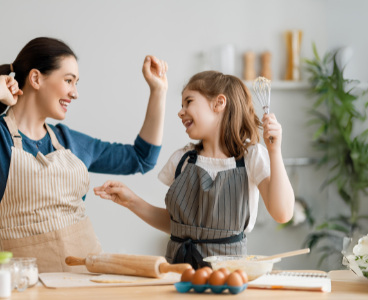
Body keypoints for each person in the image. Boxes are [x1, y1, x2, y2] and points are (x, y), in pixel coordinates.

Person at [0, 37, 169, 272]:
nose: (75, 93)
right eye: (69, 80)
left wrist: (158, 91)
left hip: (86, 279)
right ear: (35, 78)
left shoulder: (69, 141)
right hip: (25, 283)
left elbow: (141, 158)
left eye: (76, 83)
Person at [94, 70, 294, 269]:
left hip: (228, 276)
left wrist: (274, 151)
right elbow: (176, 225)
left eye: (188, 102)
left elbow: (282, 213)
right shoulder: (182, 160)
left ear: (219, 103)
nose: (181, 112)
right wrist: (131, 201)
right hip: (179, 272)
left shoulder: (251, 157)